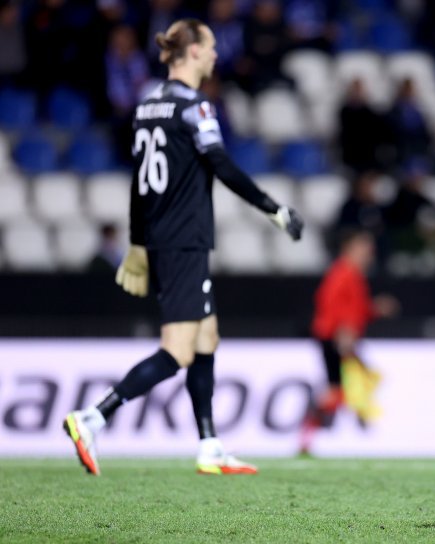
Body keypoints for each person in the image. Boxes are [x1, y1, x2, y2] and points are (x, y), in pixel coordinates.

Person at [63, 18, 304, 476]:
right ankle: (93, 418)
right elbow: (220, 163)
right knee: (178, 350)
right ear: (192, 51)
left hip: (163, 238)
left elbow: (139, 183)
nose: (216, 55)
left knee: (207, 336)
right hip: (184, 241)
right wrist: (273, 209)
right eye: (211, 46)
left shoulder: (147, 104)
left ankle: (210, 445)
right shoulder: (195, 106)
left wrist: (137, 244)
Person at [300, 230, 399, 455]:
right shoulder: (342, 273)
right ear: (349, 248)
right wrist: (342, 333)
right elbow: (329, 305)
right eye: (364, 248)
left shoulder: (353, 275)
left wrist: (375, 309)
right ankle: (317, 425)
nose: (369, 254)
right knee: (344, 387)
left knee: (351, 384)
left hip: (343, 337)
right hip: (335, 338)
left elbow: (356, 311)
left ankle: (349, 417)